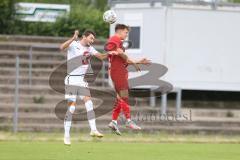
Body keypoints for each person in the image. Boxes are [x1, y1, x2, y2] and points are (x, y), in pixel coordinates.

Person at [60, 30, 116, 145]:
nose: (92, 40)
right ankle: (66, 136)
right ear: (84, 37)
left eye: (93, 39)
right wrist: (72, 38)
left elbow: (100, 56)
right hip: (71, 79)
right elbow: (62, 47)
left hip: (81, 80)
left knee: (89, 102)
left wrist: (111, 53)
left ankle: (93, 130)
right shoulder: (74, 44)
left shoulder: (90, 48)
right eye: (91, 38)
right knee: (71, 109)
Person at [105, 24, 151, 135]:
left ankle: (113, 122)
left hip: (119, 71)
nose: (126, 35)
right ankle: (129, 121)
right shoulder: (115, 39)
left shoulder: (118, 42)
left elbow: (123, 58)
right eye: (126, 32)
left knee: (120, 98)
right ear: (119, 31)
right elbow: (119, 53)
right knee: (124, 96)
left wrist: (139, 61)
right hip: (118, 72)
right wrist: (123, 55)